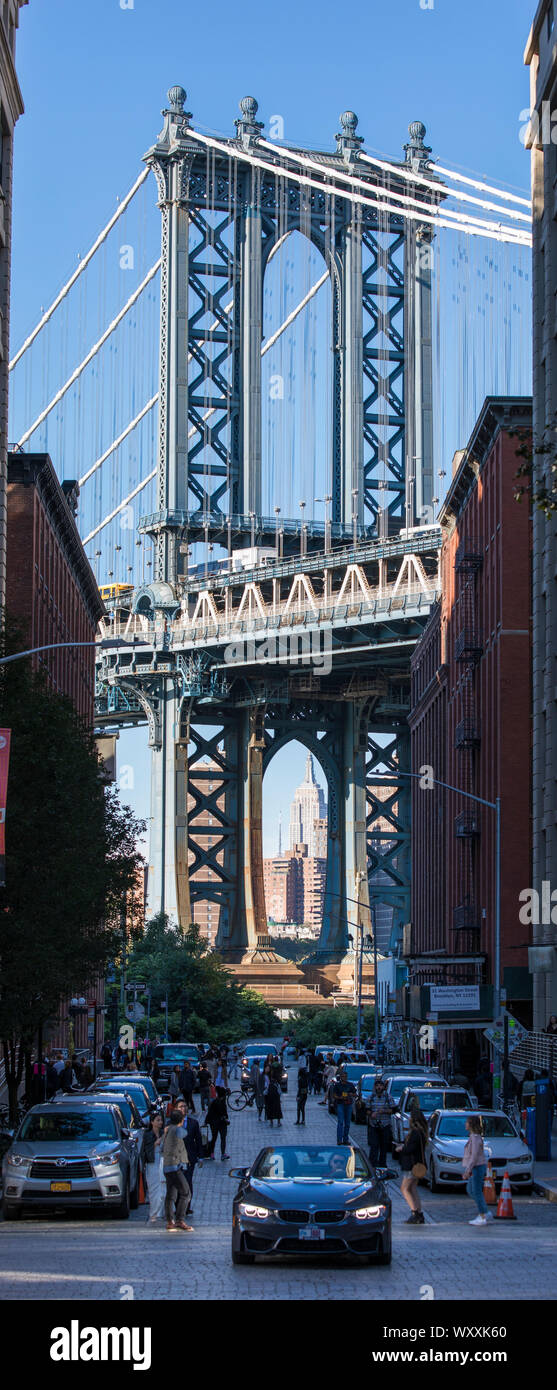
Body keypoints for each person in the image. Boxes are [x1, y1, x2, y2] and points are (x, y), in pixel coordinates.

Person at [394, 1112, 428, 1225]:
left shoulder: (415, 1133)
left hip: (411, 1165)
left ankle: (415, 1213)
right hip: (417, 1164)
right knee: (413, 1188)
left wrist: (401, 1149)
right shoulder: (422, 1133)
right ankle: (419, 1212)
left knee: (404, 1189)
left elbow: (410, 1149)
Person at [162, 1111, 193, 1232]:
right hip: (175, 1167)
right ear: (181, 1120)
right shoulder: (175, 1129)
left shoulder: (169, 1130)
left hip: (167, 1166)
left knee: (171, 1194)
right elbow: (185, 1133)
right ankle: (180, 1219)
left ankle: (170, 1221)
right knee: (186, 1193)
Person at [463, 1115, 491, 1226]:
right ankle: (484, 1211)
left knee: (476, 1191)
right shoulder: (473, 1137)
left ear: (471, 1124)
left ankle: (483, 1214)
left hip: (477, 1167)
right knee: (471, 1189)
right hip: (476, 1166)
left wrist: (467, 1170)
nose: (465, 1124)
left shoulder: (475, 1138)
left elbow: (474, 1156)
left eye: (467, 1122)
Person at [367, 1076, 396, 1167]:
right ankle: (372, 1165)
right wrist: (372, 1114)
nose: (379, 1087)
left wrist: (383, 1111)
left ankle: (382, 1165)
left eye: (380, 1086)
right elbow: (367, 1110)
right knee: (374, 1146)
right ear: (375, 1087)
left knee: (384, 1147)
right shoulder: (371, 1097)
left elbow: (393, 1110)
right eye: (377, 1086)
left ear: (383, 1087)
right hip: (374, 1126)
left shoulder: (388, 1097)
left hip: (385, 1125)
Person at [144, 1113, 165, 1223]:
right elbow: (145, 1151)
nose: (160, 1122)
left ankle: (161, 1212)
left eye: (161, 1120)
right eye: (158, 1120)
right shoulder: (147, 1135)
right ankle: (154, 1213)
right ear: (152, 1122)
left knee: (163, 1187)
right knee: (153, 1189)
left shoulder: (163, 1133)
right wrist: (155, 1144)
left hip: (163, 1161)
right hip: (152, 1162)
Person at [332, 1067, 357, 1145]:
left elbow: (355, 1094)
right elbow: (334, 1095)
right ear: (340, 1077)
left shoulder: (350, 1085)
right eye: (343, 1076)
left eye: (345, 1077)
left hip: (348, 1105)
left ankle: (345, 1139)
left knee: (347, 1123)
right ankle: (339, 1140)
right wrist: (341, 1097)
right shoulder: (337, 1085)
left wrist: (350, 1094)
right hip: (341, 1104)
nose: (344, 1078)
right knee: (340, 1122)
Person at [206, 1087, 230, 1160]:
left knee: (214, 1138)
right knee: (223, 1138)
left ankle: (212, 1153)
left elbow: (209, 1113)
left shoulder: (214, 1101)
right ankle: (223, 1154)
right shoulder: (221, 1102)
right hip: (221, 1123)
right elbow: (223, 1114)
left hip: (213, 1123)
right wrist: (226, 1120)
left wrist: (206, 1121)